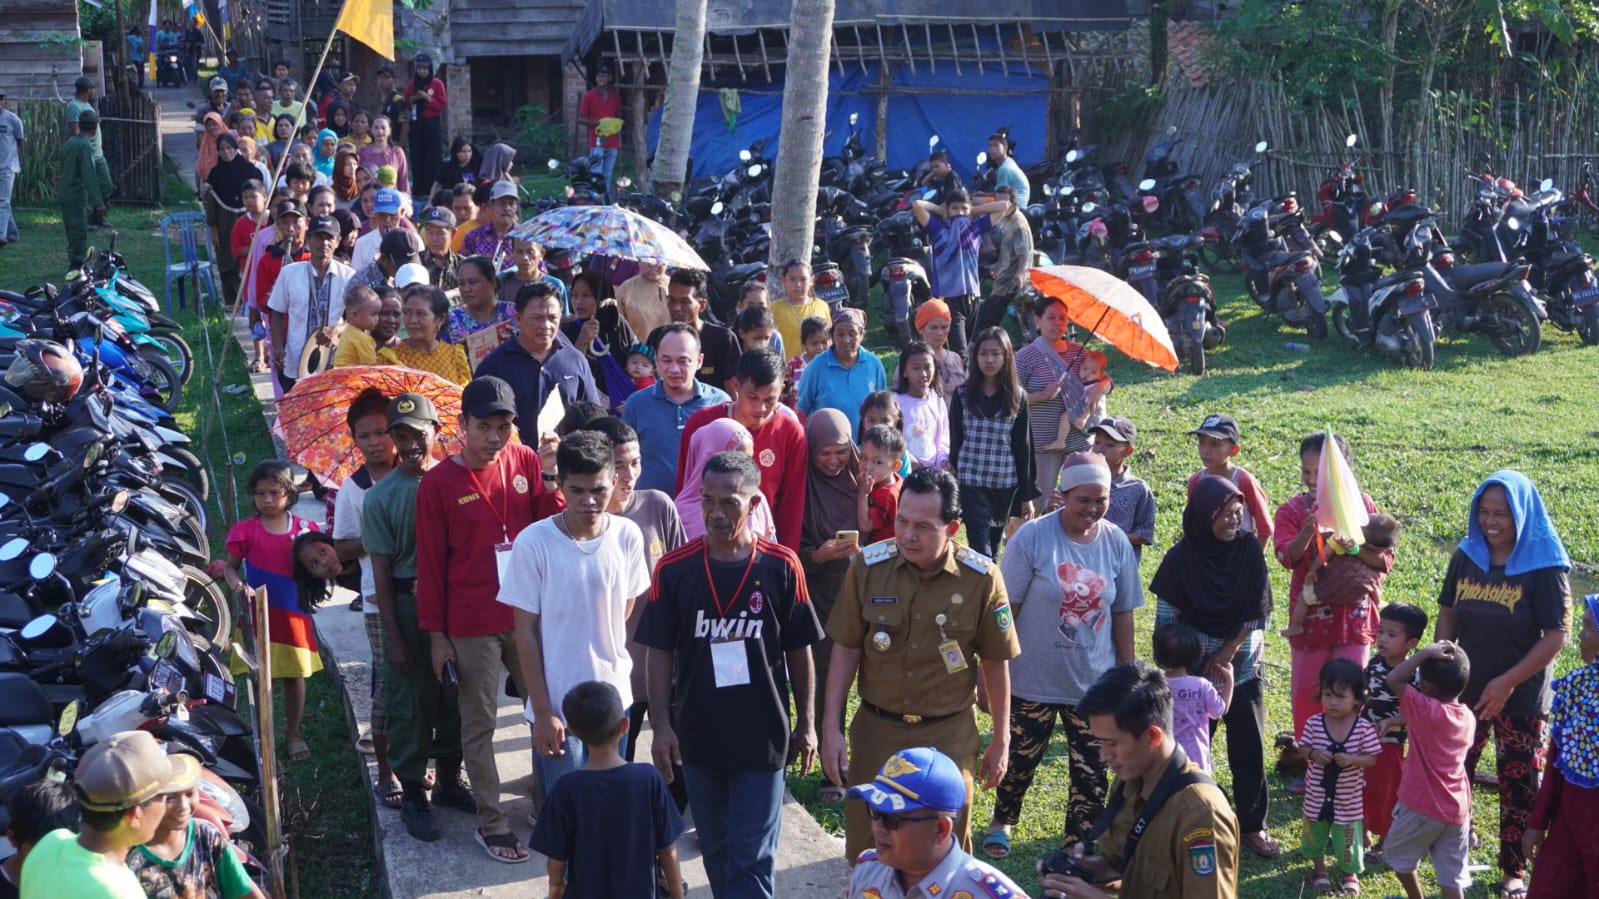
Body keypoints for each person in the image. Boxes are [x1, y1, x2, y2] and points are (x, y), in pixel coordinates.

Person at [638, 450, 823, 898]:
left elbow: (800, 651)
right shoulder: (674, 568)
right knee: (718, 850)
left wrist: (808, 724)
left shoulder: (781, 566)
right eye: (707, 501)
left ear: (754, 504)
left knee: (752, 854)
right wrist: (661, 727)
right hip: (699, 735)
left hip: (762, 736)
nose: (716, 513)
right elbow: (659, 653)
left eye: (729, 503)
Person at [821, 467, 1021, 861]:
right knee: (870, 850)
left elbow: (995, 663)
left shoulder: (981, 579)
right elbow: (845, 649)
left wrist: (1001, 738)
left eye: (924, 526)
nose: (909, 535)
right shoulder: (868, 568)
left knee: (942, 851)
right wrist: (830, 726)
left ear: (953, 527)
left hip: (947, 735)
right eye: (902, 521)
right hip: (879, 730)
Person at [416, 376, 558, 863]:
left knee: (546, 708)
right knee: (479, 723)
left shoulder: (525, 462)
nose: (495, 437)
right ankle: (491, 820)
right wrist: (437, 636)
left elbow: (551, 521)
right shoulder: (437, 483)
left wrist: (554, 478)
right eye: (484, 427)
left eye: (503, 426)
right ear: (461, 427)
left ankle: (546, 803)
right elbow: (431, 566)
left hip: (527, 613)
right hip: (471, 620)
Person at [984, 452, 1140, 860]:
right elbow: (1004, 612)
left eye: (1100, 500)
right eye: (1082, 500)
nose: (1092, 509)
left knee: (1092, 772)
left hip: (1093, 686)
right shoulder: (1032, 538)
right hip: (1030, 679)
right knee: (1019, 759)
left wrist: (1127, 678)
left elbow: (1123, 614)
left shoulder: (1116, 543)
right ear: (1062, 495)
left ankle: (1080, 841)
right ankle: (1003, 819)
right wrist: (988, 677)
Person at [1434, 470, 1570, 899]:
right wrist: (1442, 659)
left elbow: (1556, 635)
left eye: (1502, 515)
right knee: (1457, 769)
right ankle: (1459, 841)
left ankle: (1513, 868)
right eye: (1485, 513)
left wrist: (1508, 683)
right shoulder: (1467, 554)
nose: (1491, 523)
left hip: (1522, 695)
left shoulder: (1545, 565)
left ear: (1522, 516)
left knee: (1519, 784)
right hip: (1466, 688)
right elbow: (1448, 611)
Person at [500, 431, 651, 800]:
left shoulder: (628, 536)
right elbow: (525, 633)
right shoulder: (533, 543)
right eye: (577, 490)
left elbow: (625, 610)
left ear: (614, 481)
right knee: (568, 809)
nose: (589, 500)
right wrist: (542, 709)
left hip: (614, 698)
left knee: (610, 800)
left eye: (598, 490)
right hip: (556, 704)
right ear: (561, 485)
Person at [1148, 474, 1281, 861]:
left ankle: (1253, 825)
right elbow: (1166, 619)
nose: (1233, 521)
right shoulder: (1180, 558)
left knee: (1249, 747)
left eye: (1238, 514)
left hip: (1239, 670)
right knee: (1185, 749)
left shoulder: (1248, 553)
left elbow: (1259, 609)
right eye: (1224, 515)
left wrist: (1228, 650)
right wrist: (1182, 666)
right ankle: (1176, 815)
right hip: (1191, 676)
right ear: (1203, 516)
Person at [363, 393, 471, 842]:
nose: (409, 445)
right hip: (407, 604)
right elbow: (383, 575)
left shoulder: (454, 482)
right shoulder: (381, 497)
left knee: (454, 693)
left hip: (455, 601)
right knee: (410, 702)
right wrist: (396, 638)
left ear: (436, 434)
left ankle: (449, 779)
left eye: (417, 435)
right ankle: (412, 793)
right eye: (400, 436)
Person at [1037, 663, 1239, 899]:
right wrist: (1088, 870)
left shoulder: (1202, 815)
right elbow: (1124, 870)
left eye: (1112, 743)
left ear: (1153, 735)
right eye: (1100, 743)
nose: (1103, 755)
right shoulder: (1130, 780)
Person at [580, 417, 688, 773]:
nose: (629, 475)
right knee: (611, 774)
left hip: (664, 674)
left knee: (674, 775)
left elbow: (683, 588)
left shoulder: (658, 506)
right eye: (618, 464)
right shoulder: (582, 526)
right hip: (611, 678)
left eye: (636, 463)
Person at [1273, 432, 1382, 778]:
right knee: (1309, 694)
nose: (1310, 480)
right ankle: (1313, 770)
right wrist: (1308, 530)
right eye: (1306, 472)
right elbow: (1287, 558)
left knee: (1353, 691)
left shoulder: (1363, 506)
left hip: (1354, 621)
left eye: (1319, 473)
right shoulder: (1292, 510)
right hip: (1311, 625)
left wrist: (1353, 546)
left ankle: (1350, 769)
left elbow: (1385, 559)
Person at [529, 681, 685, 899]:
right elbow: (668, 849)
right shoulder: (648, 778)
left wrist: (555, 889)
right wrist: (677, 893)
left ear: (571, 730)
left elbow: (556, 859)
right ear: (624, 725)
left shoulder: (566, 788)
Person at [221, 460, 322, 759]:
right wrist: (240, 588)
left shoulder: (306, 531)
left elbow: (319, 568)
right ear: (252, 494)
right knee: (261, 676)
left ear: (289, 493)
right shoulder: (245, 531)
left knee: (294, 675)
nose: (267, 499)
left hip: (293, 614)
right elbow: (230, 568)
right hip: (257, 615)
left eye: (274, 493)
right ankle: (264, 734)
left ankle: (293, 734)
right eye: (260, 493)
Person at [19, 731, 187, 899]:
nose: (166, 808)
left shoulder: (49, 844)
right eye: (165, 798)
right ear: (135, 815)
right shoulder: (122, 891)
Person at [846, 747, 1027, 898]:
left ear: (941, 829)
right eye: (875, 812)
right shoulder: (868, 871)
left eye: (892, 819)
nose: (878, 827)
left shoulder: (989, 894)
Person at [798, 409, 865, 803]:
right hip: (821, 593)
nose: (834, 461)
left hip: (864, 591)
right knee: (827, 679)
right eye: (825, 453)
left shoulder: (863, 478)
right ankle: (832, 770)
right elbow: (791, 543)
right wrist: (818, 556)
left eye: (841, 451)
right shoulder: (801, 484)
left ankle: (870, 756)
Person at [677, 348, 808, 548]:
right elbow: (687, 489)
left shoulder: (790, 433)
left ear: (781, 390)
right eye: (752, 397)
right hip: (699, 543)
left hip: (760, 547)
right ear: (736, 386)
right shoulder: (703, 424)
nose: (760, 408)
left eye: (769, 400)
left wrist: (786, 562)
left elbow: (791, 507)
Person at [1382, 642, 1474, 899]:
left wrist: (1422, 654)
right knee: (1451, 874)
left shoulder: (1425, 709)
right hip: (1457, 810)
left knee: (1399, 859)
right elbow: (1422, 720)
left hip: (1420, 806)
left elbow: (1394, 679)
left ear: (1426, 686)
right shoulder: (1467, 716)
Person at [1524, 595, 1599, 898]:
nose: (1580, 636)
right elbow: (1556, 758)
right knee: (1552, 885)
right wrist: (1537, 822)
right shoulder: (1576, 686)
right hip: (1569, 819)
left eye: (1590, 628)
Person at [474, 282, 601, 446]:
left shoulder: (575, 361)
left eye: (552, 318)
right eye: (537, 318)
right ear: (518, 318)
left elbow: (594, 418)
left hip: (567, 465)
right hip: (515, 465)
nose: (546, 326)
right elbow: (480, 422)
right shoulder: (494, 365)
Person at [126, 752, 266, 899]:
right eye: (170, 797)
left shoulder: (207, 836)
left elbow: (246, 893)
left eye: (190, 794)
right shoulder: (128, 853)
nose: (183, 806)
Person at [1296, 658, 1381, 894]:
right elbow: (1303, 749)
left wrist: (1353, 760)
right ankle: (1319, 869)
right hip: (1316, 796)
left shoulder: (1363, 728)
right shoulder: (1315, 723)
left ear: (1357, 698)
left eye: (1340, 696)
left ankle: (1349, 872)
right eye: (1327, 694)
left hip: (1348, 800)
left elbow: (1372, 758)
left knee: (1348, 838)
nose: (1332, 702)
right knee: (1316, 833)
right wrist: (1313, 753)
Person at [622, 322, 729, 494]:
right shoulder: (636, 404)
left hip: (704, 511)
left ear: (699, 361)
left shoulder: (720, 403)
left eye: (683, 361)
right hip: (651, 510)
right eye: (666, 360)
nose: (674, 369)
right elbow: (622, 459)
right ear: (656, 359)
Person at [911, 190, 1014, 352]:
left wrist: (973, 210)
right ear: (947, 210)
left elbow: (1004, 206)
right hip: (948, 299)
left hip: (972, 297)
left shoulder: (976, 228)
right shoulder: (937, 229)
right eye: (955, 208)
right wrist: (940, 210)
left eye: (963, 209)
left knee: (966, 348)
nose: (959, 213)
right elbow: (917, 205)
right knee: (959, 352)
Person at [1363, 602, 1427, 858]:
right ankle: (1364, 829)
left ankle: (1385, 839)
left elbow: (1416, 713)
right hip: (1365, 739)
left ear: (1411, 643)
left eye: (1391, 635)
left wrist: (1391, 722)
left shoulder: (1413, 675)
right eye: (1380, 632)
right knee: (1363, 787)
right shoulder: (1375, 663)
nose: (1382, 639)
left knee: (1387, 792)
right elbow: (1362, 693)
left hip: (1390, 744)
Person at [267, 215, 354, 393]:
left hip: (333, 360)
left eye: (329, 238)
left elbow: (357, 318)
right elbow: (277, 313)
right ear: (308, 240)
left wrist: (337, 330)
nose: (324, 243)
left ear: (337, 242)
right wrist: (277, 347)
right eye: (319, 237)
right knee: (295, 415)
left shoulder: (349, 277)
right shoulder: (289, 274)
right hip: (294, 359)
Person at [1283, 513, 1399, 637]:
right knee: (1370, 577)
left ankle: (1296, 626)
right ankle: (1378, 600)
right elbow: (1385, 562)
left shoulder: (1345, 536)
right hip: (1359, 592)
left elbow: (1326, 552)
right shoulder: (1379, 549)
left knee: (1303, 598)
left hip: (1333, 588)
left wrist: (1312, 569)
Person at [673, 418, 773, 542]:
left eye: (749, 459)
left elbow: (768, 549)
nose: (745, 468)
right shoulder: (676, 514)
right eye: (737, 459)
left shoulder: (753, 499)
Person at [1152, 622, 1232, 774]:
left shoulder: (1154, 685)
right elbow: (1220, 710)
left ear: (1157, 659)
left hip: (1163, 758)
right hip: (1197, 760)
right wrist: (1230, 680)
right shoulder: (1201, 686)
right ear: (1195, 655)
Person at [647, 269, 741, 394]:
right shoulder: (657, 337)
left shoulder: (723, 339)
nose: (676, 308)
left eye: (685, 302)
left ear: (702, 305)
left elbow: (733, 390)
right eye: (672, 300)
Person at [796, 308, 889, 435]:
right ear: (832, 336)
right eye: (840, 334)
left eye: (852, 334)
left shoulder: (874, 364)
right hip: (827, 449)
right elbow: (802, 410)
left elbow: (883, 407)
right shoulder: (816, 367)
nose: (846, 340)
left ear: (861, 335)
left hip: (866, 447)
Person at [1187, 413, 1271, 551]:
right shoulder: (1196, 481)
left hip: (1239, 555)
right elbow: (1193, 524)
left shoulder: (1243, 480)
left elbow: (1265, 528)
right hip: (1208, 555)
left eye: (1215, 444)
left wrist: (1254, 562)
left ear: (1234, 450)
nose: (1206, 450)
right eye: (1202, 442)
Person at [562, 269, 637, 406]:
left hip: (623, 405)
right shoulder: (568, 330)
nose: (578, 302)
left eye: (586, 296)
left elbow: (636, 354)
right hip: (586, 405)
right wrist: (582, 340)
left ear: (601, 296)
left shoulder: (617, 323)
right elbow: (567, 371)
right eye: (574, 295)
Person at [1085, 417, 1154, 560]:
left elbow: (1145, 534)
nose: (1100, 449)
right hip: (1084, 561)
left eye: (1109, 445)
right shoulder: (1082, 480)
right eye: (1097, 442)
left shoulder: (1137, 489)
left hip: (1119, 563)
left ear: (1127, 451)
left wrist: (1110, 537)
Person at [0, 779, 80, 899]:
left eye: (58, 849)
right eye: (38, 851)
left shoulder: (81, 884)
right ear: (12, 839)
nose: (49, 859)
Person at [975, 183, 1036, 335]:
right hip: (1003, 274)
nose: (1001, 207)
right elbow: (1008, 248)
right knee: (984, 313)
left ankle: (978, 344)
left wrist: (1020, 273)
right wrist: (998, 264)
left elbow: (1024, 254)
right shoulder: (1005, 218)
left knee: (986, 318)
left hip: (1011, 281)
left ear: (1014, 204)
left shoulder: (1018, 225)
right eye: (998, 203)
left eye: (1005, 203)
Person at [379, 285, 471, 384]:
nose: (413, 320)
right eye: (407, 312)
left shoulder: (455, 357)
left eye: (421, 313)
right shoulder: (390, 359)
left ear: (440, 319)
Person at [60, 109, 110, 267]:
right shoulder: (85, 146)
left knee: (71, 229)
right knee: (79, 232)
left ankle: (75, 260)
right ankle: (75, 267)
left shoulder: (71, 142)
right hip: (75, 194)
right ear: (95, 129)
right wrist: (98, 203)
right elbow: (89, 176)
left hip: (64, 192)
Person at [1042, 350, 1109, 454]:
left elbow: (1090, 405)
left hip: (1089, 416)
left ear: (1101, 376)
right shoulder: (1087, 383)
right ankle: (1060, 441)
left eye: (1093, 372)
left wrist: (1083, 418)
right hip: (1083, 413)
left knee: (1065, 417)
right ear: (1080, 366)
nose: (1087, 373)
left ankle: (1060, 441)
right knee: (1065, 417)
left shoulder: (1093, 387)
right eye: (1085, 369)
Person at [901, 299, 966, 403]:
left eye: (944, 327)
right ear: (921, 329)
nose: (940, 333)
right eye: (933, 328)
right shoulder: (910, 359)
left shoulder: (955, 358)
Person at [444, 255, 515, 344]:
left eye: (472, 282)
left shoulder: (514, 313)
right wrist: (460, 352)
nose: (466, 289)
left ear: (492, 282)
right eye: (461, 284)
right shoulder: (451, 321)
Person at [406, 53, 446, 202]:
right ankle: (418, 190)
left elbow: (441, 105)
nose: (422, 72)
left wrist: (427, 98)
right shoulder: (412, 84)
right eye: (420, 68)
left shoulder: (437, 84)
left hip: (432, 123)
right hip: (417, 123)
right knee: (417, 156)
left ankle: (432, 190)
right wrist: (417, 97)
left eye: (425, 69)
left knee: (433, 156)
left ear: (430, 69)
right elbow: (408, 102)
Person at [770, 259, 831, 356]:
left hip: (818, 368)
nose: (798, 285)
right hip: (786, 369)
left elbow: (829, 339)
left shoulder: (822, 306)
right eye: (792, 279)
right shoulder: (775, 308)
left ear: (811, 280)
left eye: (803, 279)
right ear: (784, 280)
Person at [577, 64, 623, 191]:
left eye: (603, 76)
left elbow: (619, 116)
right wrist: (597, 123)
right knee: (596, 173)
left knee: (607, 175)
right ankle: (595, 200)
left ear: (610, 78)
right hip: (596, 141)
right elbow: (580, 119)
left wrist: (615, 124)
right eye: (598, 76)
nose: (600, 79)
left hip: (612, 141)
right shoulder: (589, 96)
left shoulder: (615, 96)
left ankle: (605, 202)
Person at [856, 425, 904, 545]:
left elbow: (865, 526)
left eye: (877, 462)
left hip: (883, 551)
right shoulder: (889, 479)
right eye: (863, 458)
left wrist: (863, 493)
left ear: (895, 466)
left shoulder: (887, 494)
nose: (867, 466)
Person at [497, 238, 568, 309]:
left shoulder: (555, 285)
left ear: (542, 254)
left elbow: (564, 319)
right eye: (519, 251)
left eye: (530, 252)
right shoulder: (503, 284)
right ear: (513, 253)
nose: (524, 257)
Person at [462, 180, 519, 267]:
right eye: (502, 203)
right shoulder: (473, 237)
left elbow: (540, 272)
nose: (507, 208)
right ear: (491, 205)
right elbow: (463, 271)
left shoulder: (525, 237)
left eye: (511, 204)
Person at [614, 260, 672, 343]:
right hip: (637, 351)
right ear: (639, 261)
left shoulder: (676, 287)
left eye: (658, 260)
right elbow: (617, 325)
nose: (653, 264)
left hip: (672, 350)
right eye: (648, 259)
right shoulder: (626, 288)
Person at [785, 315, 830, 409]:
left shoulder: (832, 364)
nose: (820, 347)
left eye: (824, 342)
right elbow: (786, 391)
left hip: (823, 413)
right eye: (814, 343)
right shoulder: (794, 364)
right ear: (805, 343)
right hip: (798, 414)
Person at [416, 205, 461, 290]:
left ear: (453, 233)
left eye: (440, 233)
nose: (434, 238)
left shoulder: (462, 265)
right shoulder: (416, 263)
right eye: (430, 232)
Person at [0, 89, 23, 248]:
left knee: (2, 201)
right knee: (4, 202)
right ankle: (12, 233)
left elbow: (20, 141)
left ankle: (1, 235)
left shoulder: (13, 120)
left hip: (8, 166)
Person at [983, 132, 1029, 207]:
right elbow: (1000, 194)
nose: (992, 149)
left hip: (1016, 206)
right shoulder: (1008, 161)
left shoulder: (1004, 169)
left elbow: (999, 197)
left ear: (1005, 148)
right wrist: (984, 194)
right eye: (990, 146)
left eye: (996, 146)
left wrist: (983, 198)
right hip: (1010, 201)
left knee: (976, 201)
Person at [376, 64, 410, 147]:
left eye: (386, 78)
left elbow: (405, 123)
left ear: (394, 80)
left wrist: (399, 147)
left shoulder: (397, 99)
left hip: (394, 145)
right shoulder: (385, 99)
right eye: (380, 78)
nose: (382, 81)